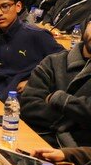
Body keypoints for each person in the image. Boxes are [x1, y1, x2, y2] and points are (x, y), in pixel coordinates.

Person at [21, 16, 91, 148]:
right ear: (86, 25)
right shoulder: (53, 62)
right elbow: (28, 106)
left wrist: (58, 99)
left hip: (78, 153)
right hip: (35, 140)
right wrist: (78, 120)